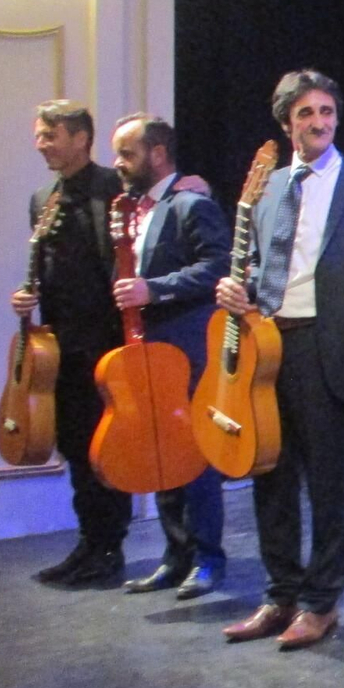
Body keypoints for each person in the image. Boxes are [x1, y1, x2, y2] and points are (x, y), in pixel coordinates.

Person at [215, 70, 344, 650]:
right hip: (266, 345)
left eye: (326, 111)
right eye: (305, 114)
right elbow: (249, 263)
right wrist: (235, 288)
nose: (318, 123)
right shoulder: (265, 188)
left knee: (324, 482)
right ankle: (280, 595)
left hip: (326, 348)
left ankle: (322, 603)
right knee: (268, 472)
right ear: (286, 122)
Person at [110, 114, 234, 600]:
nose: (119, 164)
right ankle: (175, 555)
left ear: (158, 153)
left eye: (128, 153)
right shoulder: (130, 209)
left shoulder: (190, 204)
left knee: (193, 451)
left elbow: (217, 268)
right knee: (159, 450)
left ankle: (208, 559)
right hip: (147, 346)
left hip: (187, 343)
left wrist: (152, 289)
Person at [16, 101, 131, 585]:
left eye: (50, 134)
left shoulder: (115, 188)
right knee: (74, 446)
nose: (41, 143)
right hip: (60, 346)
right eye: (40, 135)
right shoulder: (42, 199)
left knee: (108, 449)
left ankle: (110, 547)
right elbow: (48, 271)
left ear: (81, 138)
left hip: (107, 343)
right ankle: (90, 542)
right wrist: (27, 296)